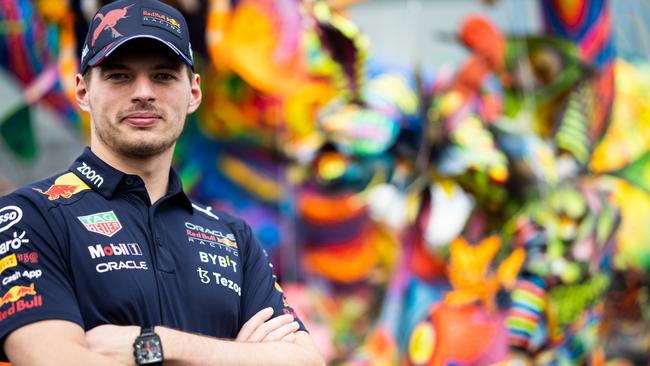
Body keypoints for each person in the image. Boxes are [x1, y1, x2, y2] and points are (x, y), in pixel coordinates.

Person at [0, 0, 324, 365]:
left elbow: (306, 361)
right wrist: (243, 356)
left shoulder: (234, 237)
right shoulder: (29, 217)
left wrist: (156, 345)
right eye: (119, 76)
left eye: (164, 76)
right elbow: (53, 360)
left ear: (194, 93)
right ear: (82, 92)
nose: (143, 92)